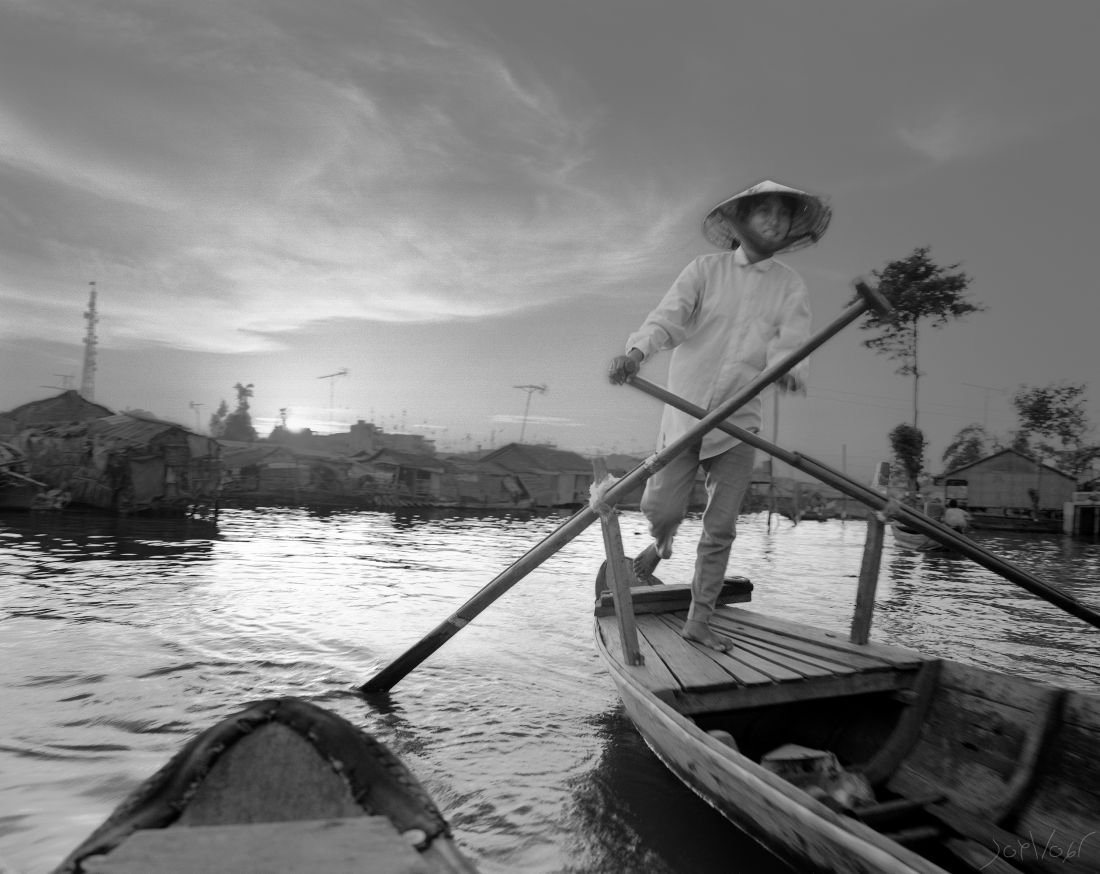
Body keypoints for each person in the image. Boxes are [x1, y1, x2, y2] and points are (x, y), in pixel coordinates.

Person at [608, 179, 830, 651]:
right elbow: (666, 319)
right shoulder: (704, 271)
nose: (774, 219)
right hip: (684, 415)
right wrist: (636, 353)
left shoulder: (790, 286)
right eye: (763, 210)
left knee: (721, 526)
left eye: (783, 213)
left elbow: (792, 344)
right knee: (661, 509)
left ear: (791, 228)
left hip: (738, 423)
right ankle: (661, 546)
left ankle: (699, 620)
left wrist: (790, 372)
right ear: (740, 221)